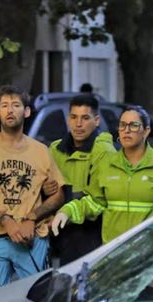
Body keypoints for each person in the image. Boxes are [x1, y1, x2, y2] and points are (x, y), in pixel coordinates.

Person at [0, 85, 65, 292]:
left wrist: (32, 217)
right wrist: (4, 220)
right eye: (4, 105)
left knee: (37, 300)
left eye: (16, 105)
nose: (10, 110)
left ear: (26, 112)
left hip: (33, 238)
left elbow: (58, 195)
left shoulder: (40, 151)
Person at [51, 105, 153, 244]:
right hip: (114, 254)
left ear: (146, 131)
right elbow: (95, 202)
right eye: (123, 125)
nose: (127, 130)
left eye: (134, 125)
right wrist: (67, 211)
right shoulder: (107, 165)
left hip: (150, 251)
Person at [49, 94, 116, 264]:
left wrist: (67, 210)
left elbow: (100, 200)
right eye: (74, 117)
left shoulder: (104, 152)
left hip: (89, 233)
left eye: (85, 118)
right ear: (68, 119)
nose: (78, 124)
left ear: (97, 121)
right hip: (55, 230)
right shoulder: (55, 149)